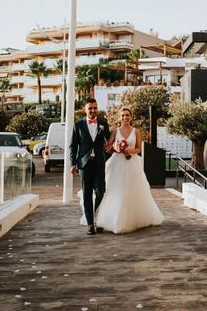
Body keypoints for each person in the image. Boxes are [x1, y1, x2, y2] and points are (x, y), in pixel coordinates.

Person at [95, 106, 164, 234]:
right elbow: (108, 147)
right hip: (117, 163)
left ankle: (133, 219)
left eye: (127, 115)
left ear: (131, 117)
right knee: (116, 190)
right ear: (120, 118)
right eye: (123, 115)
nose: (125, 117)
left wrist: (129, 151)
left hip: (132, 163)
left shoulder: (136, 131)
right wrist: (116, 147)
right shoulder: (116, 131)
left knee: (132, 190)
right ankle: (115, 220)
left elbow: (139, 148)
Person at [70, 98, 111, 235]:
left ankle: (97, 218)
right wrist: (73, 164)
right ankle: (90, 224)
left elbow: (110, 141)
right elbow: (73, 146)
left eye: (95, 108)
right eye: (90, 108)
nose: (93, 110)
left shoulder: (103, 123)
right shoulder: (78, 125)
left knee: (100, 191)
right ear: (85, 110)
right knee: (87, 194)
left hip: (99, 163)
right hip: (84, 164)